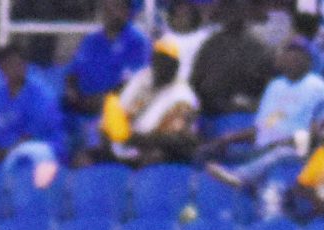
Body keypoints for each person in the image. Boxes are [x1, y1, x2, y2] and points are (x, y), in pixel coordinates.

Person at [203, 38, 324, 190]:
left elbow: (317, 133)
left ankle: (240, 176)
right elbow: (262, 126)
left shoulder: (318, 87)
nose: (293, 59)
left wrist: (287, 141)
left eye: (299, 55)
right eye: (289, 54)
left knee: (280, 152)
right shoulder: (276, 85)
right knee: (212, 152)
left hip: (295, 151)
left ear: (308, 60)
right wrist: (228, 138)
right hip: (261, 149)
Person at [62, 0, 150, 151]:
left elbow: (136, 83)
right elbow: (73, 72)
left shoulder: (137, 42)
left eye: (117, 7)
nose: (111, 12)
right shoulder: (91, 40)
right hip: (84, 105)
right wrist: (72, 90)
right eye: (107, 7)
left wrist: (104, 100)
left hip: (118, 107)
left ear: (127, 11)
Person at [96, 38, 199, 166]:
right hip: (125, 144)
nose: (159, 65)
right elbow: (117, 112)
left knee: (154, 157)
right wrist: (110, 131)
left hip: (157, 152)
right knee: (85, 158)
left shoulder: (183, 97)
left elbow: (176, 140)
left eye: (165, 61)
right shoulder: (142, 78)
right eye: (156, 59)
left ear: (175, 66)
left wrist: (134, 139)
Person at [0, 42, 62, 169]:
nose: (13, 68)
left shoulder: (40, 96)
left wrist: (6, 153)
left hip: (33, 150)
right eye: (7, 64)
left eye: (17, 63)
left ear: (24, 66)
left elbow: (31, 135)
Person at [190, 0, 275, 117]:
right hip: (208, 112)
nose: (233, 14)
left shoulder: (259, 47)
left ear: (245, 12)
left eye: (237, 9)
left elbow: (269, 87)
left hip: (242, 114)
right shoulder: (210, 44)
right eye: (229, 9)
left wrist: (247, 104)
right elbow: (196, 80)